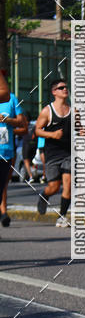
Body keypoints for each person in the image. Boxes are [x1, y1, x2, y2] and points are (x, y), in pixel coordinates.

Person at [35, 79, 72, 226]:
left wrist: (81, 132)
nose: (65, 89)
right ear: (54, 92)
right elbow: (37, 130)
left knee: (68, 183)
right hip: (52, 154)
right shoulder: (47, 111)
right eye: (61, 88)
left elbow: (78, 129)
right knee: (54, 187)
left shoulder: (73, 111)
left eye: (66, 87)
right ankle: (44, 195)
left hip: (69, 153)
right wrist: (52, 135)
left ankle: (62, 217)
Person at [0, 81, 27, 225]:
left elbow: (23, 124)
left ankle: (3, 211)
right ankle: (3, 212)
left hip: (6, 150)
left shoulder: (11, 99)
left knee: (3, 183)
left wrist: (8, 120)